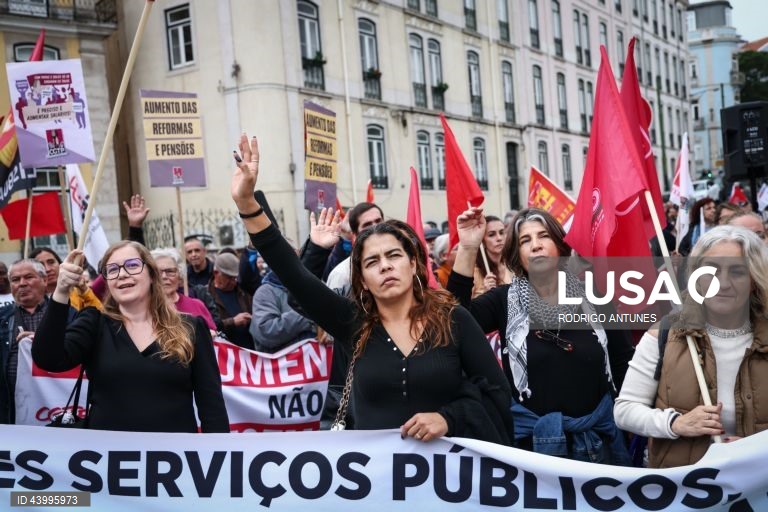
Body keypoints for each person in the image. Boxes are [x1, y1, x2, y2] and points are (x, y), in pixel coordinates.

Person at [230, 134, 514, 444]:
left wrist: (448, 418)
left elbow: (496, 393)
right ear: (362, 278)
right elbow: (294, 275)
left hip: (451, 472)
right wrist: (247, 203)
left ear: (413, 264)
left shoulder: (453, 319)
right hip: (374, 474)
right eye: (372, 261)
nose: (385, 266)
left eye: (394, 256)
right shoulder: (353, 322)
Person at [447, 207, 635, 463]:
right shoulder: (502, 301)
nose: (535, 245)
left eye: (543, 236)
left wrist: (631, 421)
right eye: (525, 240)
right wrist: (469, 248)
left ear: (559, 245)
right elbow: (452, 321)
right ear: (517, 255)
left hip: (600, 445)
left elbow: (622, 362)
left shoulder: (595, 298)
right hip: (531, 451)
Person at [32, 243, 229, 433]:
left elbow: (212, 405)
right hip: (108, 453)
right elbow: (47, 358)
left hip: (173, 453)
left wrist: (217, 450)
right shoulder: (94, 323)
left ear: (152, 274)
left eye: (132, 265)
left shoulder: (191, 327)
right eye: (112, 269)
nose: (122, 274)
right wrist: (61, 292)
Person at [614, 226, 768, 468]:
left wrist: (758, 448)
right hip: (682, 485)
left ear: (754, 280)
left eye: (737, 272)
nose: (723, 283)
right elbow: (625, 410)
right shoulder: (663, 333)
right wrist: (676, 423)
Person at [0, 260, 71, 424]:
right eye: (15, 280)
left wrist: (42, 340)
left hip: (57, 406)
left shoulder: (68, 314)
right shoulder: (2, 317)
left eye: (28, 277)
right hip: (11, 410)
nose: (22, 283)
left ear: (44, 280)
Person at [151, 248, 217, 331]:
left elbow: (214, 334)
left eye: (170, 271)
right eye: (157, 272)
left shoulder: (197, 305)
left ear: (180, 275)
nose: (164, 276)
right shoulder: (144, 309)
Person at [30, 247, 102, 310]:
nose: (48, 269)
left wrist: (84, 290)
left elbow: (100, 314)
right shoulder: (30, 299)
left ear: (60, 264)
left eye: (51, 262)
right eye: (41, 265)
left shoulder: (78, 293)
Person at [209, 252, 254, 349]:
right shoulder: (205, 295)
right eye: (229, 277)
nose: (233, 282)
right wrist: (233, 321)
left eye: (235, 277)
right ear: (216, 273)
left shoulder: (243, 291)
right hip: (225, 353)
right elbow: (210, 326)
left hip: (249, 351)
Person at [472, 215, 512, 298]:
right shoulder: (474, 273)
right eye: (491, 235)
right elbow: (464, 304)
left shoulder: (512, 266)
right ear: (482, 241)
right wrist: (485, 293)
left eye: (501, 233)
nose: (499, 238)